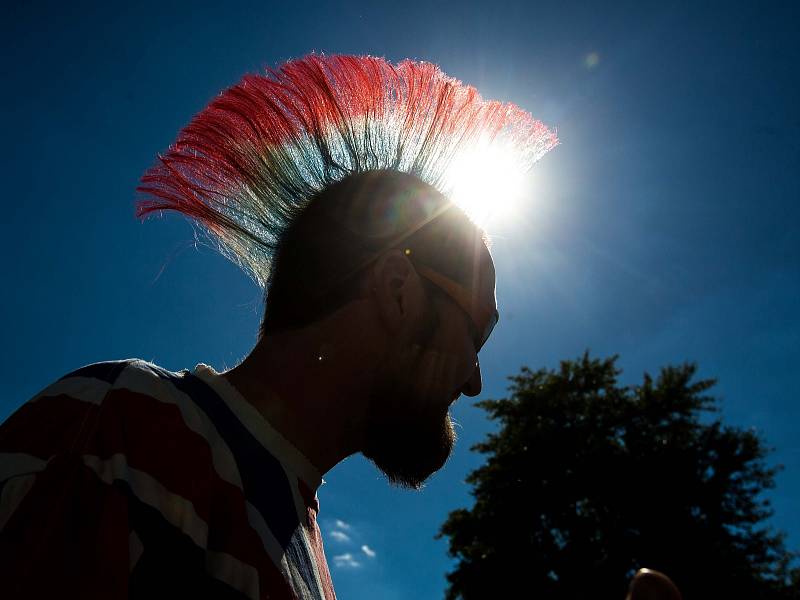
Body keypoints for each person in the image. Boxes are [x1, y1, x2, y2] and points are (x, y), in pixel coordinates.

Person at [0, 54, 556, 599]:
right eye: (477, 334)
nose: (475, 380)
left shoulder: (308, 563)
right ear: (396, 291)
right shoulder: (124, 425)